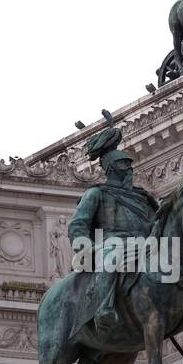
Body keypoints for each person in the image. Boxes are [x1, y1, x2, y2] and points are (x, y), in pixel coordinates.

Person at [66, 114, 159, 331]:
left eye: (129, 165)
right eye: (123, 165)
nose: (129, 169)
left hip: (144, 246)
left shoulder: (142, 197)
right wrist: (85, 247)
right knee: (113, 256)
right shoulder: (97, 194)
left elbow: (157, 222)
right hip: (110, 244)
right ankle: (104, 308)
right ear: (111, 168)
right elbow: (78, 224)